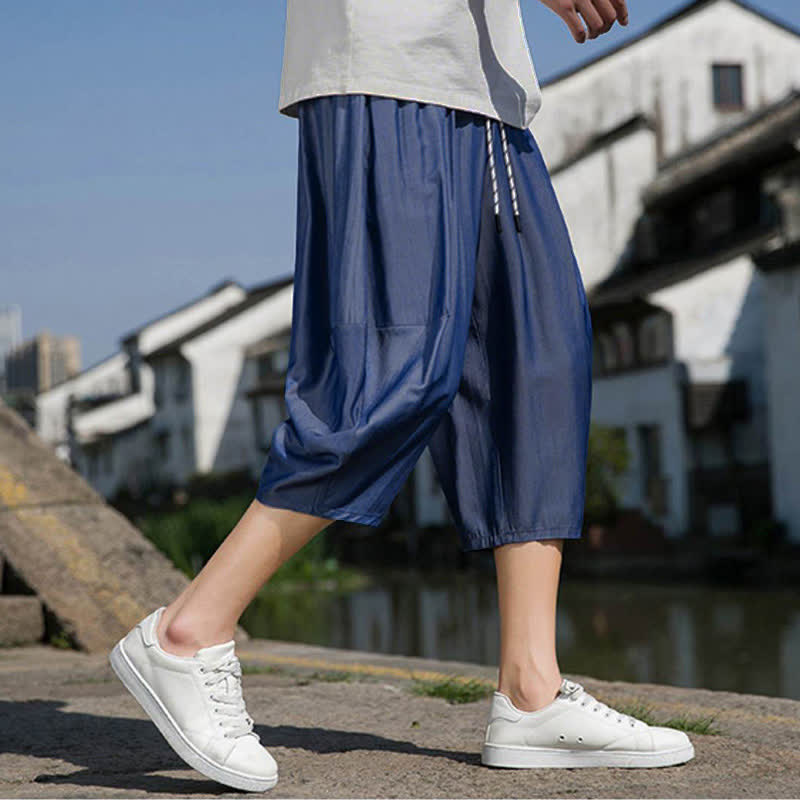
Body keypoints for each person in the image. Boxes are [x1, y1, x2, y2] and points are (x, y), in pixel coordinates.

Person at [109, 0, 695, 792]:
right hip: (385, 57)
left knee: (536, 365)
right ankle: (187, 632)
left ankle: (532, 691)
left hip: (487, 91)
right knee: (395, 369)